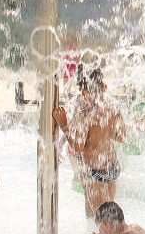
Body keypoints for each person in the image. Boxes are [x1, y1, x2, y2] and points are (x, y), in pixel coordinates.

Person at [53, 68, 127, 218]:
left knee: (99, 221)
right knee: (104, 219)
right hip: (112, 167)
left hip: (95, 171)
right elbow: (121, 137)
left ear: (83, 91)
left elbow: (78, 147)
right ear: (104, 88)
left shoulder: (85, 113)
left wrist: (63, 125)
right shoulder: (112, 107)